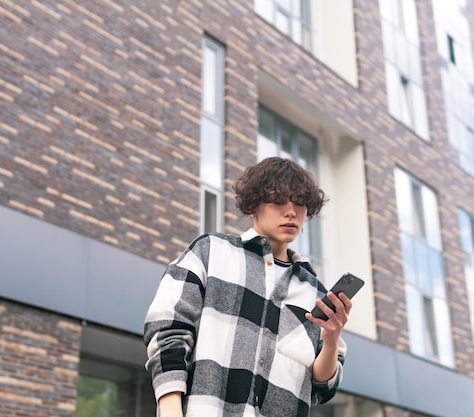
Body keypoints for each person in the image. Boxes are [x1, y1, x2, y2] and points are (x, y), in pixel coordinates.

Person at [143, 157, 352, 417]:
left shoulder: (317, 294)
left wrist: (331, 340)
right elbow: (167, 330)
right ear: (254, 204)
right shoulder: (210, 253)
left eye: (299, 203)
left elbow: (323, 387)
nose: (291, 212)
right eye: (279, 200)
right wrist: (171, 410)